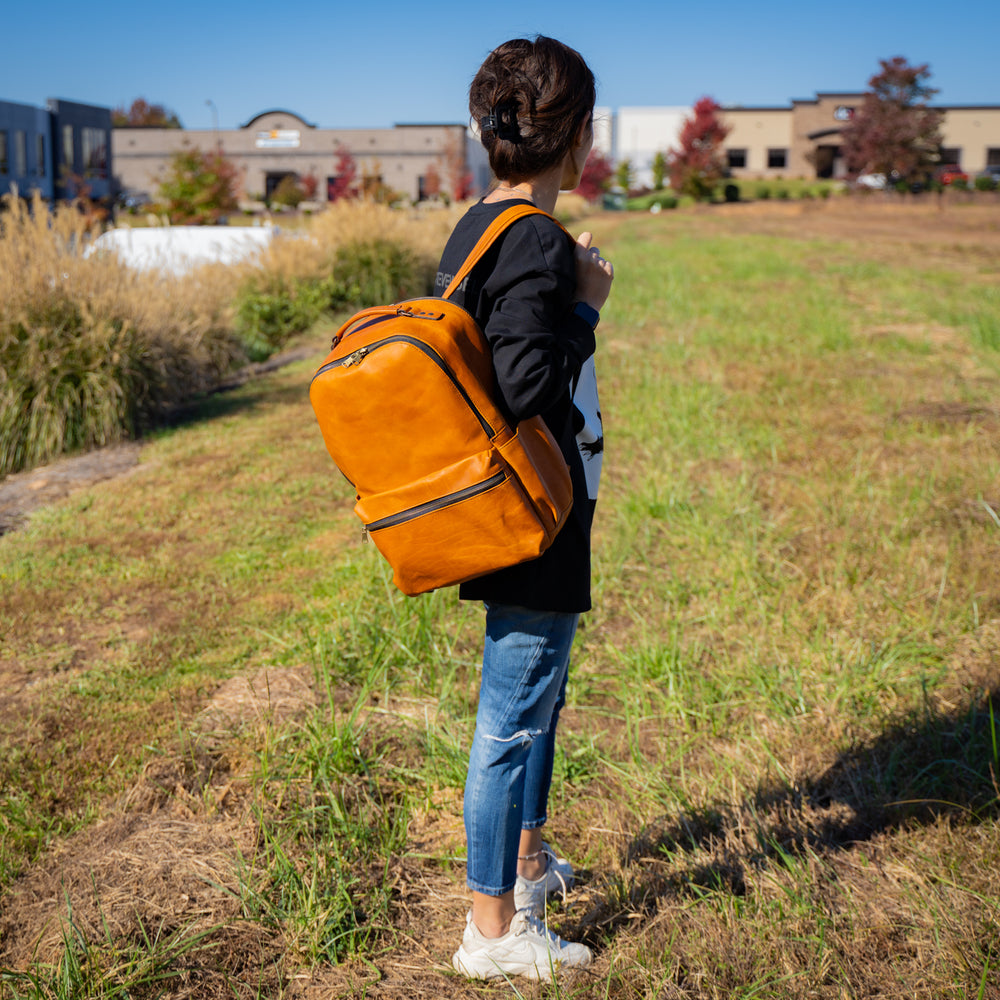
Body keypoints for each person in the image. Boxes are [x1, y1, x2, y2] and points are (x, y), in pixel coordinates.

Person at [434, 36, 614, 981]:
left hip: (512, 504)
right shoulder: (539, 241)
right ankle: (492, 933)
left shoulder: (479, 226)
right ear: (575, 135)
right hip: (533, 513)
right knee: (510, 719)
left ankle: (529, 866)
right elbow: (525, 380)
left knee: (535, 699)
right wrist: (585, 303)